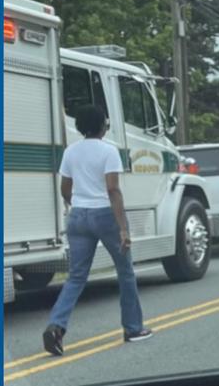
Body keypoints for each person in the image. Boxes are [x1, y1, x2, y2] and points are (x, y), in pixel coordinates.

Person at [43, 105, 152, 356]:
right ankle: (133, 328)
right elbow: (113, 190)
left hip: (78, 216)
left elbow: (64, 189)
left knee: (76, 277)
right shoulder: (109, 151)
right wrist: (123, 229)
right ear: (103, 125)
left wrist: (79, 205)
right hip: (104, 214)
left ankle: (56, 327)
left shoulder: (71, 151)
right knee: (125, 273)